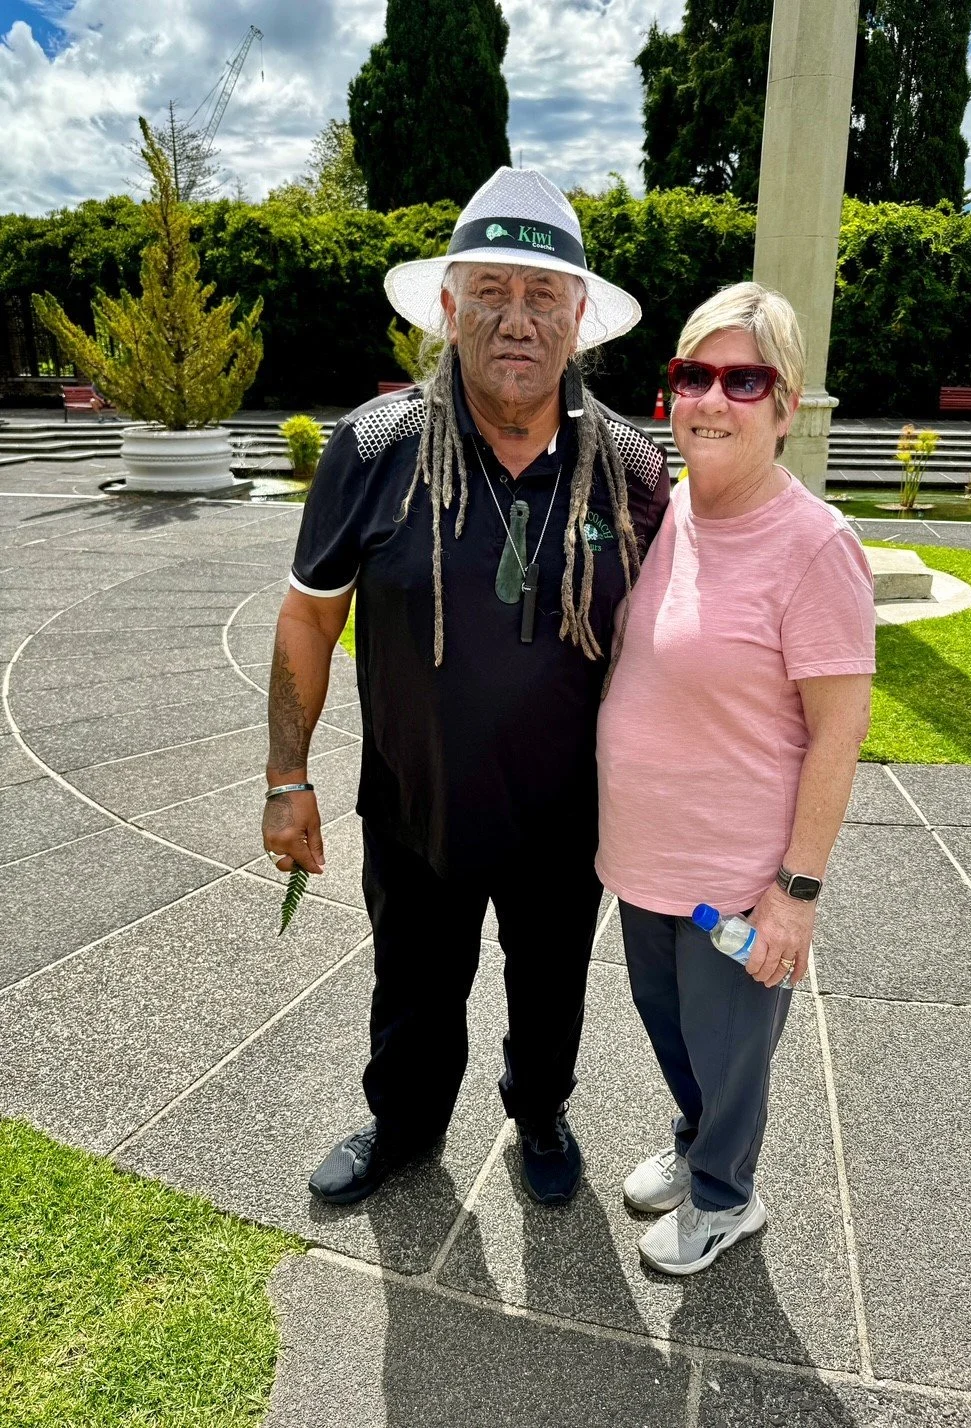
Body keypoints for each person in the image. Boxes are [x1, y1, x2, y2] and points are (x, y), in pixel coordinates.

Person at [261, 167, 669, 1209]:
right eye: (491, 290)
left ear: (580, 320)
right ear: (448, 307)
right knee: (413, 985)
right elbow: (311, 612)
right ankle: (403, 1123)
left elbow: (678, 641)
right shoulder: (373, 446)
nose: (516, 319)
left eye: (544, 297)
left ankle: (539, 1111)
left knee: (551, 988)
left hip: (566, 814)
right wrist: (285, 776)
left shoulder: (626, 464)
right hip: (413, 798)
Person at [595, 282, 875, 1275]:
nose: (711, 399)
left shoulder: (814, 546)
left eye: (742, 379)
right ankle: (694, 1143)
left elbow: (840, 731)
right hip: (644, 857)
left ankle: (725, 1196)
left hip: (737, 876)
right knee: (674, 1035)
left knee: (730, 1050)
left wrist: (795, 892)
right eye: (692, 375)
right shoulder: (666, 513)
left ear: (785, 405)